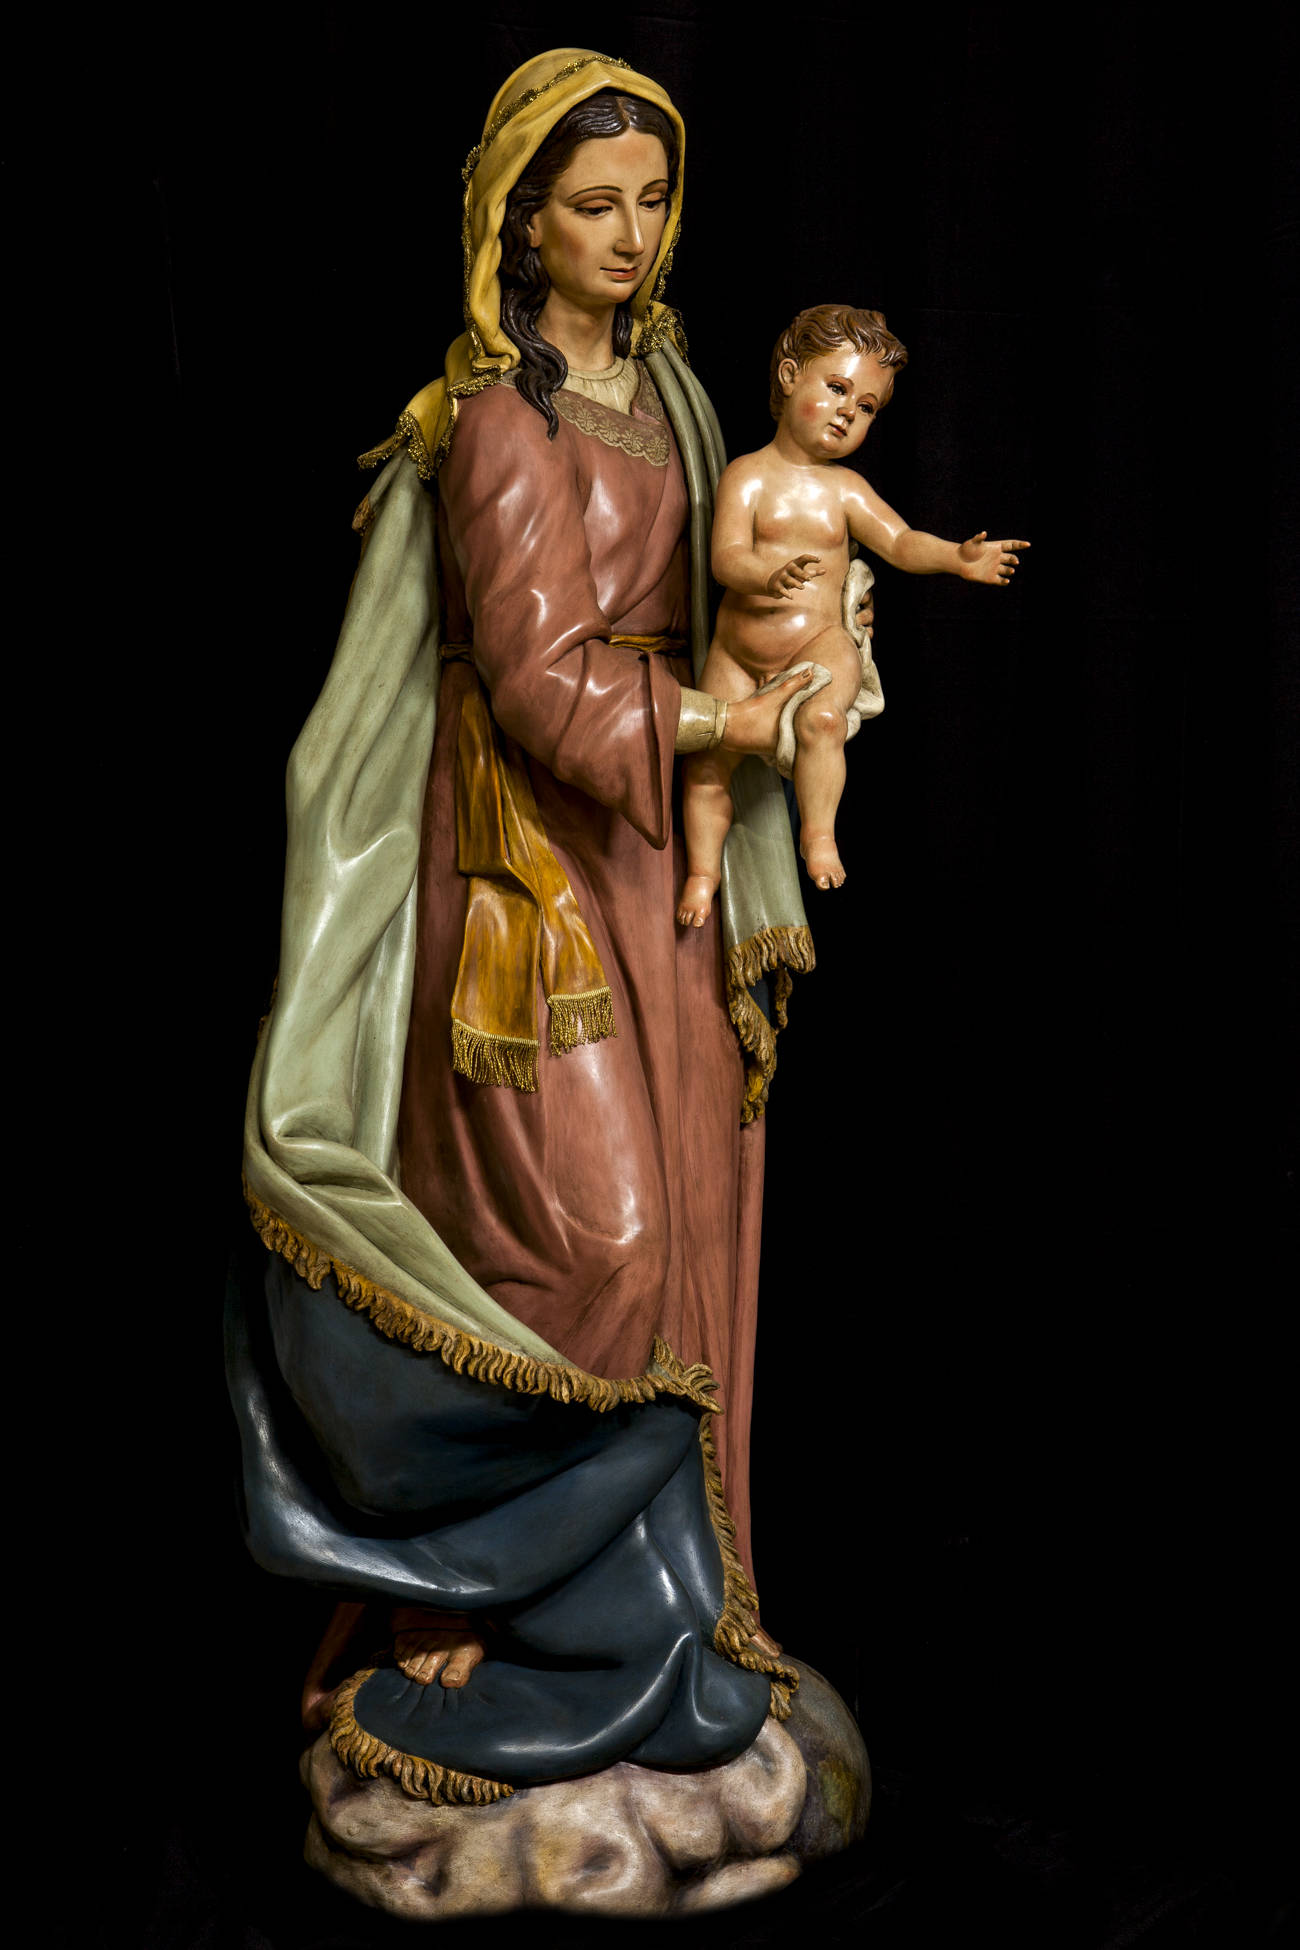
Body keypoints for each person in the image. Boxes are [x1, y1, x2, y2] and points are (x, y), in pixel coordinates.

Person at [231, 50, 820, 1806]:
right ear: (519, 223)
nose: (630, 236)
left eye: (652, 199)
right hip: (527, 878)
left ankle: (666, 1609)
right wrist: (726, 718)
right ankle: (467, 1585)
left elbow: (722, 584)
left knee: (692, 1229)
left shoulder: (676, 392)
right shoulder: (504, 419)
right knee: (592, 1249)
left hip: (666, 861)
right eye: (591, 206)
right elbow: (547, 683)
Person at [677, 304, 1029, 923]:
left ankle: (818, 835)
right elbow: (725, 559)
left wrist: (956, 557)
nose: (848, 412)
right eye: (837, 388)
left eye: (866, 406)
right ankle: (703, 874)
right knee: (708, 765)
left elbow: (899, 541)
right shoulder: (747, 476)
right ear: (790, 376)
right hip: (738, 650)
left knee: (823, 722)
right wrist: (767, 575)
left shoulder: (845, 490)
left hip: (817, 643)